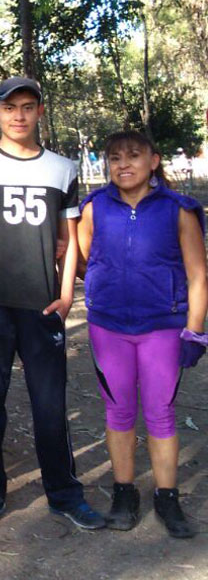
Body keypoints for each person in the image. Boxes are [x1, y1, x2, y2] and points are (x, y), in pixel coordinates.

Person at [0, 77, 104, 530]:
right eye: (10, 107)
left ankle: (64, 493)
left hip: (41, 305)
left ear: (39, 111)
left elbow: (68, 239)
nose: (19, 115)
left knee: (50, 405)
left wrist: (65, 295)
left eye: (28, 106)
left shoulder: (62, 168)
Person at [78, 131, 206, 538]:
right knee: (118, 411)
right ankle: (124, 493)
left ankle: (167, 497)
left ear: (153, 161)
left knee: (160, 412)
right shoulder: (94, 207)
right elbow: (86, 259)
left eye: (134, 156)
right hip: (109, 327)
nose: (124, 164)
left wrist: (195, 330)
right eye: (115, 158)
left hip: (162, 329)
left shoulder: (178, 210)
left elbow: (198, 275)